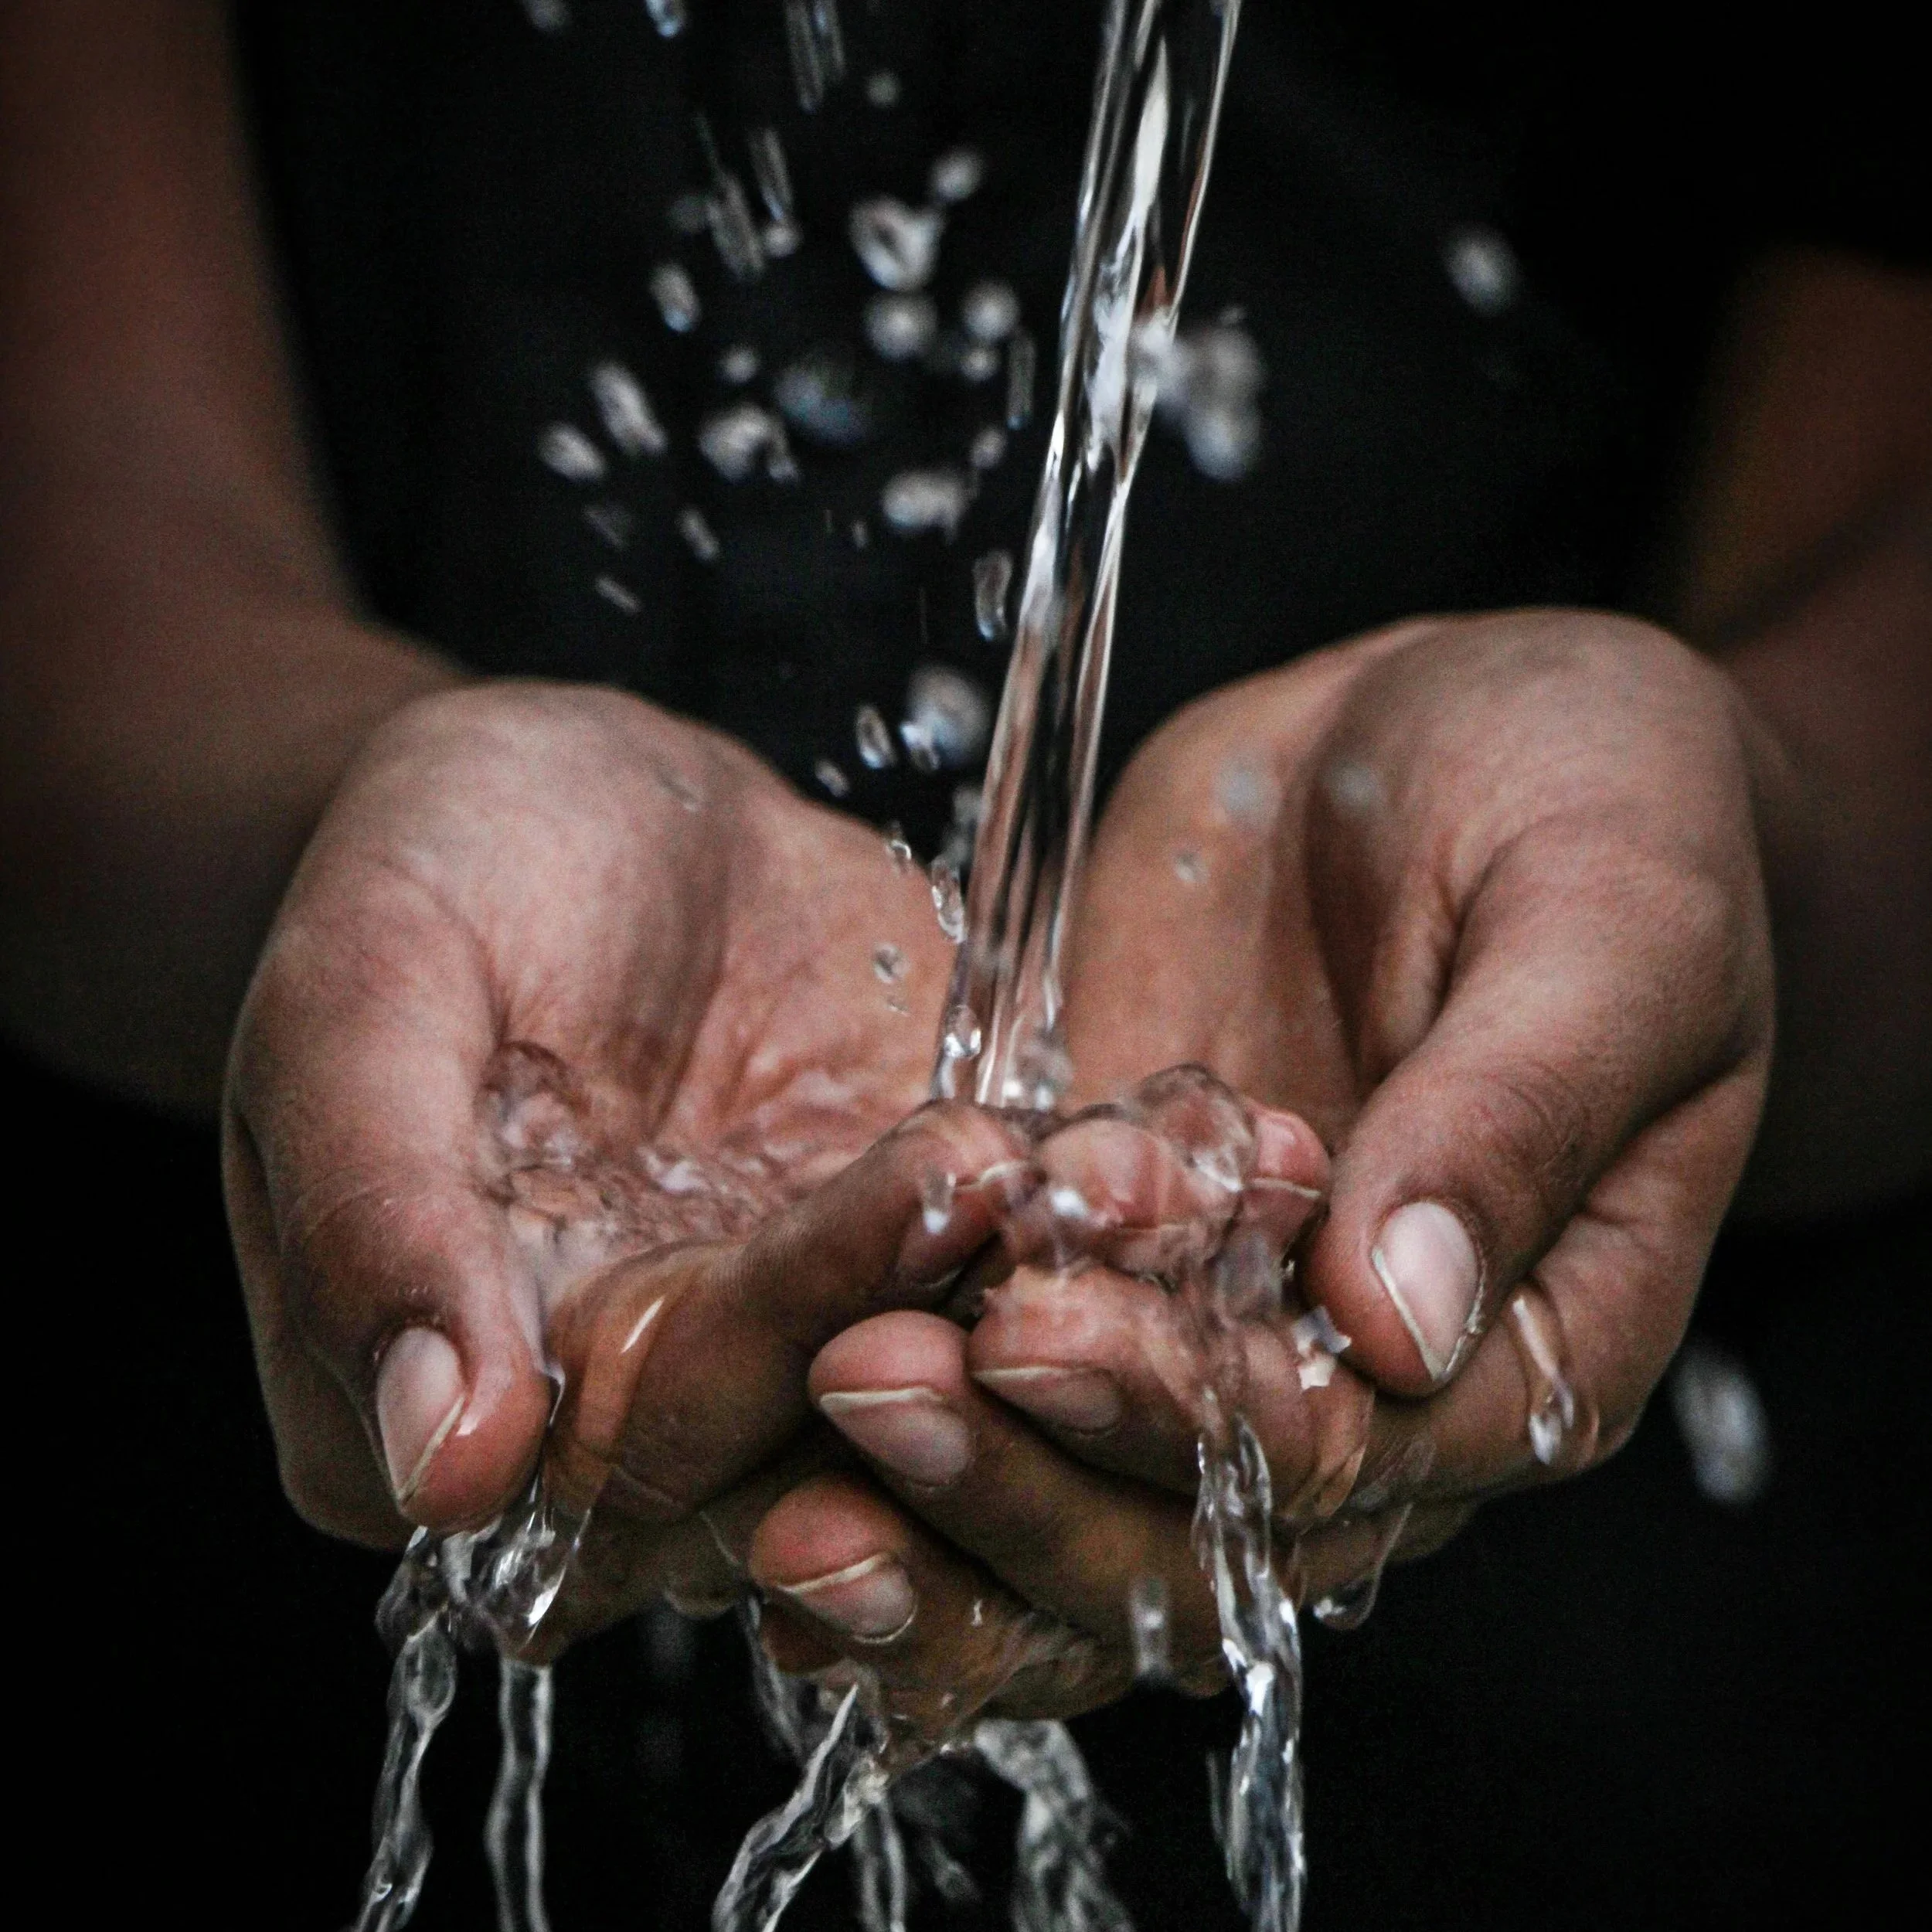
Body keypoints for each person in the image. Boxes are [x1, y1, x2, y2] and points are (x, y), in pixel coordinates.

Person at [3, 1, 1925, 1922]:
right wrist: (348, 831)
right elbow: (79, 545)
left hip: (1589, 1670)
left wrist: (1728, 834)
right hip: (203, 1566)